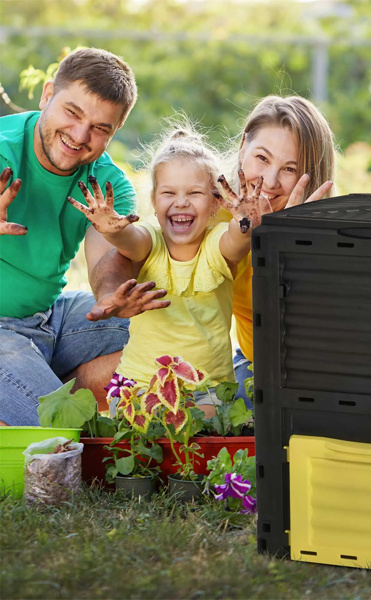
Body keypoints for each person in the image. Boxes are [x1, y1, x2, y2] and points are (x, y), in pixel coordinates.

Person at [0, 48, 167, 426]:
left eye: (100, 128)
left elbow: (106, 258)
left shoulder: (108, 185)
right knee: (60, 435)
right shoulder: (2, 148)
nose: (79, 136)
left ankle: (29, 390)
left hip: (49, 317)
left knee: (170, 327)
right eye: (72, 113)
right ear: (47, 95)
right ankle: (37, 400)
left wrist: (110, 295)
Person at [68, 122, 264, 393]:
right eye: (169, 193)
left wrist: (244, 220)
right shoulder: (151, 238)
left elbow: (236, 242)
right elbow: (130, 241)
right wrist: (111, 230)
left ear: (216, 202)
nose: (181, 202)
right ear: (154, 199)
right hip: (138, 387)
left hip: (210, 390)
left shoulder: (214, 243)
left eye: (194, 193)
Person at [224, 95, 337, 404]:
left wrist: (291, 244)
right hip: (253, 365)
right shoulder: (215, 215)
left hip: (321, 373)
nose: (270, 182)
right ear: (242, 148)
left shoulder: (330, 233)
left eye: (289, 168)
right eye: (262, 158)